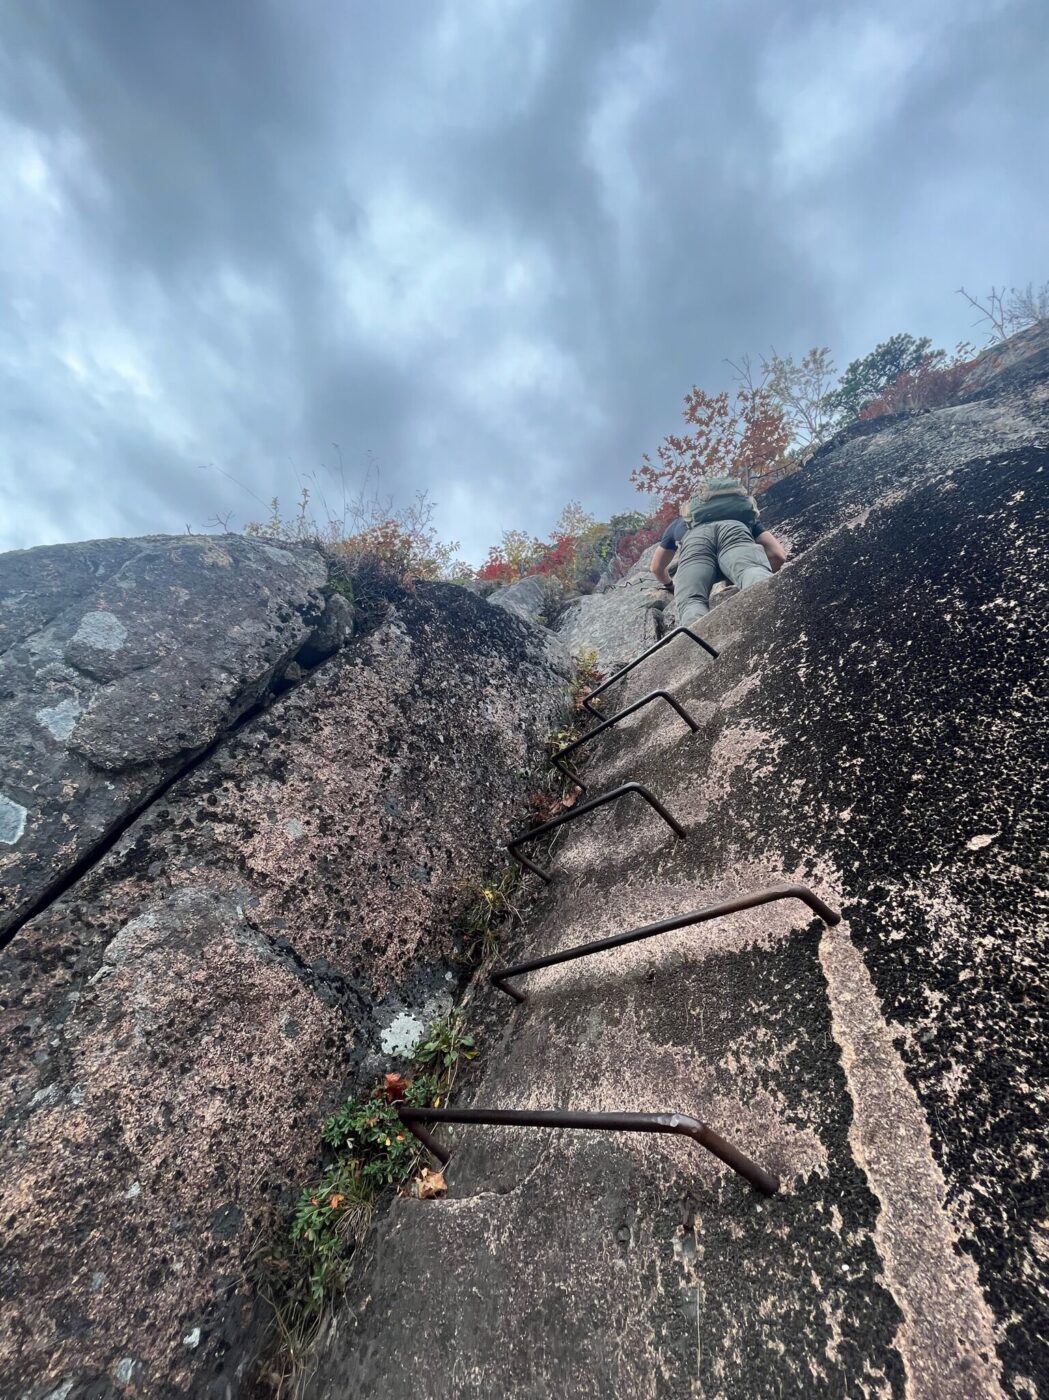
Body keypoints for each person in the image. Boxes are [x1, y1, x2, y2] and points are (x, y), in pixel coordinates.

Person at [650, 479, 787, 627]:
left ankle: (699, 648)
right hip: (734, 529)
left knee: (691, 602)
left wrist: (671, 585)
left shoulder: (680, 523)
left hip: (694, 542)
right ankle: (781, 619)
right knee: (752, 571)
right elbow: (777, 555)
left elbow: (656, 567)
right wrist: (740, 581)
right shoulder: (741, 516)